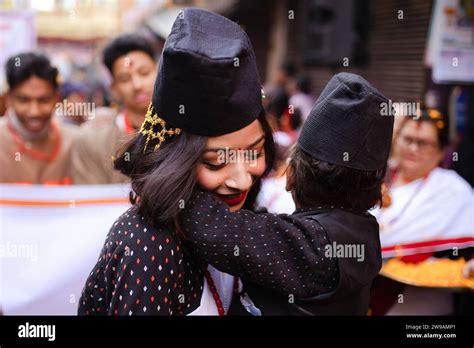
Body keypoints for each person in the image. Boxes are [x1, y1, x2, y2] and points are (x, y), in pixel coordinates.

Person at [78, 8, 275, 315]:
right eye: (215, 163)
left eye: (255, 152)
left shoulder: (237, 218)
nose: (242, 180)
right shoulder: (148, 246)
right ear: (175, 160)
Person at [178, 72, 395, 315]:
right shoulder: (359, 233)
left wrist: (165, 171)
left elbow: (216, 228)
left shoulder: (317, 248)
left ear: (290, 176)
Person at [370, 108, 474, 315]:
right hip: (363, 288)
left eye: (424, 143)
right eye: (407, 139)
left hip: (420, 301)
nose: (413, 148)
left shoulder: (452, 189)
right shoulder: (375, 175)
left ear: (441, 151)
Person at [71, 33, 158, 184]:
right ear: (113, 89)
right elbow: (89, 204)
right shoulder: (92, 144)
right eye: (125, 79)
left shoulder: (184, 133)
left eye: (144, 73)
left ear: (160, 73)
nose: (137, 85)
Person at [0, 52, 77, 184]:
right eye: (24, 100)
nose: (34, 112)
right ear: (9, 99)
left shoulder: (74, 143)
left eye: (44, 100)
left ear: (57, 98)